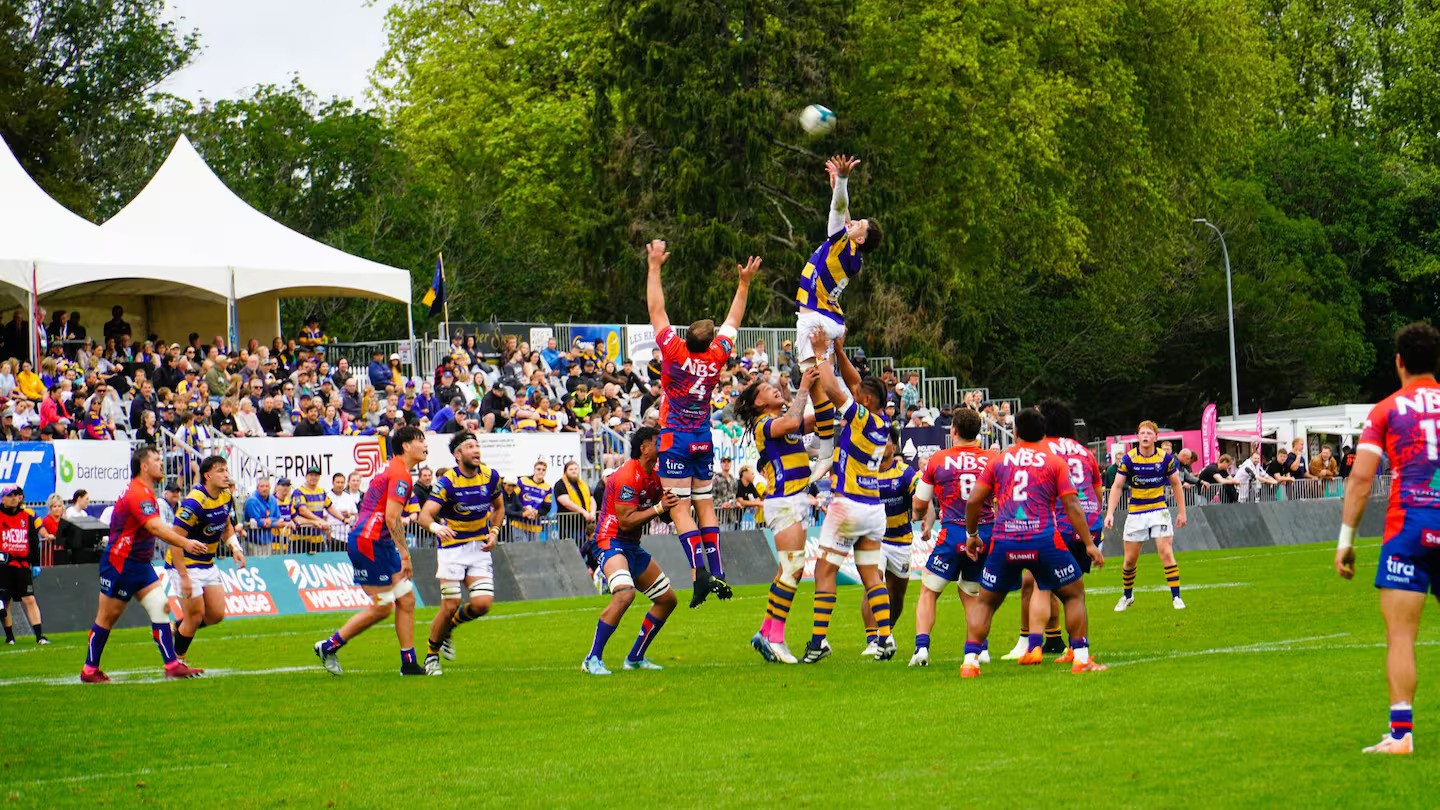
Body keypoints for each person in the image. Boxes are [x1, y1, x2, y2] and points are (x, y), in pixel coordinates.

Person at [1334, 322, 1440, 755]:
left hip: (1408, 529)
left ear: (1398, 361)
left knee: (1401, 636)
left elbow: (1360, 479)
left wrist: (1346, 540)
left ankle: (1401, 735)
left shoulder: (1386, 410)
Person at [645, 238, 759, 605]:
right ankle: (718, 570)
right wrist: (743, 285)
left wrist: (654, 266)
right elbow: (733, 320)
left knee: (679, 508)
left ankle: (700, 572)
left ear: (684, 337)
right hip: (701, 438)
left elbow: (656, 309)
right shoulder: (715, 358)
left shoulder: (674, 352)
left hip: (675, 437)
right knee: (705, 504)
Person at [961, 408, 1106, 678]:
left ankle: (970, 661)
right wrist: (1088, 543)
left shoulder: (999, 461)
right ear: (1043, 434)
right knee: (1074, 594)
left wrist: (972, 535)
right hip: (1044, 541)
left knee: (985, 603)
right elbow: (1073, 504)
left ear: (1014, 433)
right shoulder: (1053, 462)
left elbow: (973, 501)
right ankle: (1081, 657)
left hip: (1004, 540)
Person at [801, 331, 894, 663]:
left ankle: (817, 642)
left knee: (825, 573)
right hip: (873, 508)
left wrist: (819, 353)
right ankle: (885, 637)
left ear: (866, 401)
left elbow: (833, 388)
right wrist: (839, 349)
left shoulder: (863, 417)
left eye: (861, 395)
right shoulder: (883, 419)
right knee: (871, 575)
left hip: (848, 504)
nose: (856, 393)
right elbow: (858, 384)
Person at [80, 445, 208, 682]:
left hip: (139, 564)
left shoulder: (146, 492)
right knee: (107, 618)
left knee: (161, 607)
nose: (162, 463)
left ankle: (171, 665)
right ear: (144, 466)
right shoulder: (138, 493)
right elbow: (155, 527)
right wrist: (185, 543)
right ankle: (89, 669)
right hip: (121, 564)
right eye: (157, 459)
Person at [793, 155, 883, 486]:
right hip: (827, 317)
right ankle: (826, 444)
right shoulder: (849, 249)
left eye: (859, 223)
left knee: (817, 383)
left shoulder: (844, 245)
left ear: (859, 238)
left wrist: (843, 182)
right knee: (821, 383)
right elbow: (842, 215)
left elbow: (837, 215)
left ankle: (827, 447)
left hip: (815, 319)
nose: (854, 221)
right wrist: (836, 189)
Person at [313, 426, 430, 676]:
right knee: (382, 606)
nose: (425, 444)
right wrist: (406, 555)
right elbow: (391, 518)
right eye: (420, 440)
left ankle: (409, 662)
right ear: (407, 446)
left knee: (406, 600)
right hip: (370, 541)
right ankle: (329, 646)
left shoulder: (392, 468)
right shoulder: (401, 475)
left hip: (378, 540)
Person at [582, 426, 681, 675]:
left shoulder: (655, 476)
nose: (662, 445)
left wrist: (680, 507)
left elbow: (665, 515)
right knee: (625, 595)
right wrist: (660, 508)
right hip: (609, 540)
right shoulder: (627, 475)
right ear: (644, 447)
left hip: (631, 546)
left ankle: (635, 657)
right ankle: (592, 659)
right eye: (657, 441)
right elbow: (626, 520)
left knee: (667, 600)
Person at [736, 366, 818, 664]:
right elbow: (796, 419)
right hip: (783, 501)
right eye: (768, 390)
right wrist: (805, 387)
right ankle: (776, 638)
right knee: (792, 569)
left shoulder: (781, 422)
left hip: (794, 499)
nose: (775, 389)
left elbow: (814, 421)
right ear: (759, 403)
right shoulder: (764, 424)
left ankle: (766, 631)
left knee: (788, 570)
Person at [909, 409, 998, 667]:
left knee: (929, 591)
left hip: (952, 532)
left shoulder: (939, 459)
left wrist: (919, 514)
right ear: (978, 432)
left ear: (953, 431)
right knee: (972, 593)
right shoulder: (992, 459)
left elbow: (919, 503)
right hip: (985, 533)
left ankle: (922, 649)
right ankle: (981, 649)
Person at [417, 432, 504, 675]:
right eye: (469, 446)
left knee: (482, 604)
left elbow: (499, 507)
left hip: (479, 547)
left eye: (477, 445)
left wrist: (494, 531)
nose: (476, 450)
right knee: (450, 604)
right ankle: (431, 656)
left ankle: (448, 629)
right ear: (458, 455)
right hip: (452, 548)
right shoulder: (447, 482)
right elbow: (425, 515)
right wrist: (436, 527)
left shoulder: (490, 476)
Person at [1033, 398, 1105, 662]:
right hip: (1089, 525)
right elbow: (1097, 492)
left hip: (1059, 525)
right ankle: (1076, 647)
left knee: (1042, 586)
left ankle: (1034, 646)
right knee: (1074, 590)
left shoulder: (1041, 449)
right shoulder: (1083, 451)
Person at [166, 456, 244, 665]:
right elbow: (175, 538)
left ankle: (175, 628)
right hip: (183, 562)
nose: (226, 474)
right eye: (220, 471)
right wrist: (183, 576)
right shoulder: (194, 502)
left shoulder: (226, 496)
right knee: (195, 615)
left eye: (226, 470)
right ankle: (178, 662)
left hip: (207, 563)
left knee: (216, 614)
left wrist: (235, 548)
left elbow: (226, 526)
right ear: (208, 475)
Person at [1104, 420, 1189, 611]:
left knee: (1166, 552)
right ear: (1137, 436)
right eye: (1142, 433)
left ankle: (1176, 597)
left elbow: (1176, 484)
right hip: (1136, 512)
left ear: (1156, 437)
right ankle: (1127, 596)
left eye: (1149, 433)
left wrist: (1182, 512)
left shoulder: (1165, 458)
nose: (1145, 436)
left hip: (1159, 510)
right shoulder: (1129, 458)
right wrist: (1110, 513)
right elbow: (1117, 486)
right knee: (1129, 561)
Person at [859, 427, 916, 656]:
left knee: (897, 594)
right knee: (874, 581)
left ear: (894, 447)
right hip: (874, 538)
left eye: (885, 442)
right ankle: (873, 639)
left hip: (901, 540)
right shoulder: (864, 472)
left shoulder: (906, 473)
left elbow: (921, 498)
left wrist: (928, 522)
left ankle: (887, 632)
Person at [0, 486, 48, 646]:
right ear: (3, 499)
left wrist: (35, 563)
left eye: (15, 495)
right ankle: (9, 637)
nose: (14, 498)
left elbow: (34, 540)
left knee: (29, 599)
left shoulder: (26, 516)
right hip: (4, 565)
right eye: (10, 496)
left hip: (22, 565)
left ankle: (40, 635)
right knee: (5, 600)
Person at [294, 465, 347, 550]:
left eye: (316, 475)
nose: (314, 477)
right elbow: (302, 510)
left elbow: (330, 507)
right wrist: (319, 520)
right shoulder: (298, 492)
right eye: (311, 475)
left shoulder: (321, 491)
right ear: (306, 477)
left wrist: (343, 519)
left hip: (317, 537)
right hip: (301, 537)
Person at [512, 460, 553, 542]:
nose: (541, 471)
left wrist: (536, 512)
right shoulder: (523, 481)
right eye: (538, 469)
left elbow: (547, 507)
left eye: (543, 470)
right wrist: (523, 509)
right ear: (534, 470)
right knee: (521, 551)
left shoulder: (548, 488)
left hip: (535, 526)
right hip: (519, 523)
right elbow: (513, 497)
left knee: (534, 553)